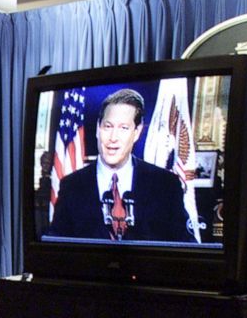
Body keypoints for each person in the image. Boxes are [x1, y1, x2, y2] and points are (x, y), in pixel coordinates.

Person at [50, 89, 194, 242]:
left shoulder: (165, 184)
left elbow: (186, 248)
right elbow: (55, 248)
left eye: (123, 128)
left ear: (137, 132)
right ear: (98, 129)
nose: (113, 138)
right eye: (108, 126)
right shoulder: (72, 185)